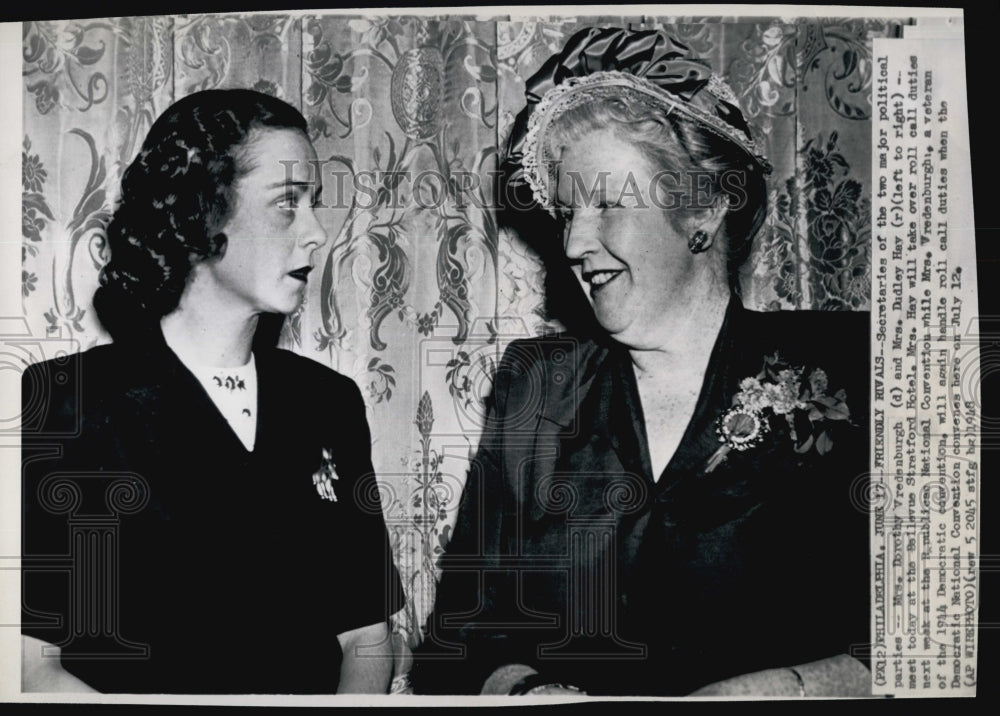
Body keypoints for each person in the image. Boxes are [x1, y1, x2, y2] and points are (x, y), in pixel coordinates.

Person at [411, 27, 871, 697]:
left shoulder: (853, 368)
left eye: (606, 202)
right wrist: (523, 691)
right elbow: (458, 640)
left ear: (706, 209)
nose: (573, 240)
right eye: (568, 210)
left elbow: (943, 633)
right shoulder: (535, 385)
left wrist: (783, 690)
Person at [21, 89, 406, 694]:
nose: (317, 234)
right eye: (288, 205)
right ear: (202, 213)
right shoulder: (68, 402)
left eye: (315, 205)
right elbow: (30, 665)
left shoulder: (328, 402)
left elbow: (366, 637)